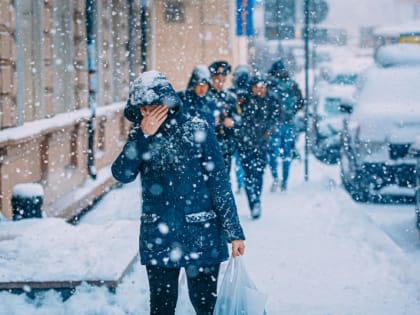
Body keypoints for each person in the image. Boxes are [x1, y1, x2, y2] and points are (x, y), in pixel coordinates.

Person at [111, 71, 246, 315]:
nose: (147, 114)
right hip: (159, 235)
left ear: (166, 103)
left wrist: (234, 232)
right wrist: (143, 136)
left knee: (206, 306)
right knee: (162, 308)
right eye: (142, 109)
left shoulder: (198, 130)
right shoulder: (140, 135)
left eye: (152, 107)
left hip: (201, 233)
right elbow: (122, 173)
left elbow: (219, 184)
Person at [236, 73, 280, 219]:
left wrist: (270, 130)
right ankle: (253, 203)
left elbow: (277, 118)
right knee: (249, 174)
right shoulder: (246, 100)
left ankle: (257, 200)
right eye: (257, 87)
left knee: (259, 173)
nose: (260, 90)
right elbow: (238, 118)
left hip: (262, 144)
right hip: (246, 144)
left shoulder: (271, 100)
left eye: (262, 87)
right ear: (252, 88)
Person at [267, 60, 304, 192]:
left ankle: (275, 178)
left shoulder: (270, 84)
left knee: (272, 153)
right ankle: (285, 181)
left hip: (274, 124)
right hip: (289, 123)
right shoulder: (292, 85)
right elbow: (301, 103)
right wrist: (291, 112)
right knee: (286, 153)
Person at [208, 60, 239, 176]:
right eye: (217, 80)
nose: (220, 83)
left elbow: (239, 118)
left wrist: (232, 121)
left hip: (225, 146)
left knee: (225, 179)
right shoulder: (205, 97)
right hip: (208, 145)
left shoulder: (230, 97)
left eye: (223, 80)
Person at [229, 64, 253, 194]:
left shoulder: (232, 93)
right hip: (246, 133)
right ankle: (245, 183)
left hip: (236, 131)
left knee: (238, 160)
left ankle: (241, 183)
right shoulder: (251, 95)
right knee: (244, 160)